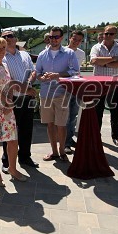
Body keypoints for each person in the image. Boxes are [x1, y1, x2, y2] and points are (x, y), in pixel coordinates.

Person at [0, 37, 28, 186]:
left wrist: (9, 100)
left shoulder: (5, 64)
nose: (1, 50)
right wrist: (6, 101)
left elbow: (8, 85)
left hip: (7, 107)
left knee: (12, 139)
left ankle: (12, 169)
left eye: (3, 47)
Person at [36, 27, 80, 162]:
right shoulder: (42, 55)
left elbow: (75, 72)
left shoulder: (69, 54)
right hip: (46, 94)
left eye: (56, 37)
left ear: (61, 38)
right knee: (50, 124)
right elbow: (38, 73)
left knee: (61, 125)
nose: (53, 39)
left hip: (62, 93)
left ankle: (62, 151)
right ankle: (54, 152)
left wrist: (58, 76)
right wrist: (42, 78)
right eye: (51, 37)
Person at [0, 30, 38, 174]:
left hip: (27, 97)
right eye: (4, 37)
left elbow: (33, 72)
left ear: (16, 39)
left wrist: (30, 81)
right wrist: (24, 88)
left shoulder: (25, 54)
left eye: (10, 36)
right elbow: (7, 80)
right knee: (9, 131)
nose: (8, 39)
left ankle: (25, 157)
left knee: (27, 129)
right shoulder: (2, 57)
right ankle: (7, 161)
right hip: (12, 98)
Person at [90, 25, 118, 146]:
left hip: (115, 84)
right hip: (99, 85)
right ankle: (95, 137)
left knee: (116, 113)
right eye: (106, 33)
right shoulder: (96, 47)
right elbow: (94, 61)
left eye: (111, 34)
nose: (108, 36)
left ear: (115, 35)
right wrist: (112, 59)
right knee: (97, 112)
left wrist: (105, 63)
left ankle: (116, 136)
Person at [64, 30, 86, 155]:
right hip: (64, 88)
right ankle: (65, 143)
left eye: (79, 40)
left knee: (73, 115)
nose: (76, 42)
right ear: (69, 38)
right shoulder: (62, 51)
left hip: (77, 87)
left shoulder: (81, 53)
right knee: (65, 117)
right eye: (74, 39)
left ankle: (69, 138)